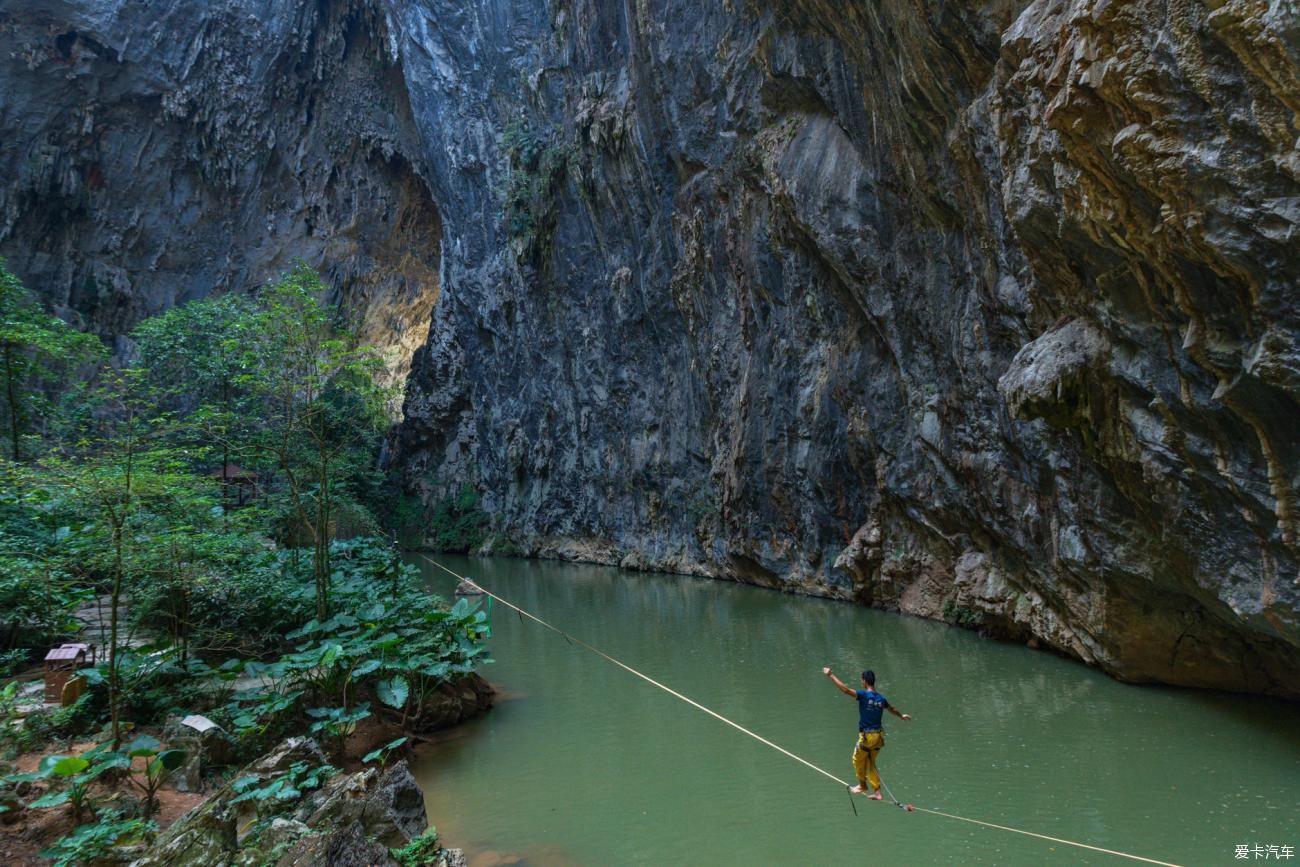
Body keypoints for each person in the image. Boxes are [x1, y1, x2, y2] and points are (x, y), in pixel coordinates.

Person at [823, 666, 911, 799]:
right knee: (870, 762)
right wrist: (901, 716)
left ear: (864, 681)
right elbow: (891, 708)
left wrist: (831, 675)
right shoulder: (881, 698)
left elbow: (846, 690)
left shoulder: (864, 695)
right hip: (879, 738)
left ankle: (863, 785)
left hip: (868, 738)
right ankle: (877, 792)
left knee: (857, 759)